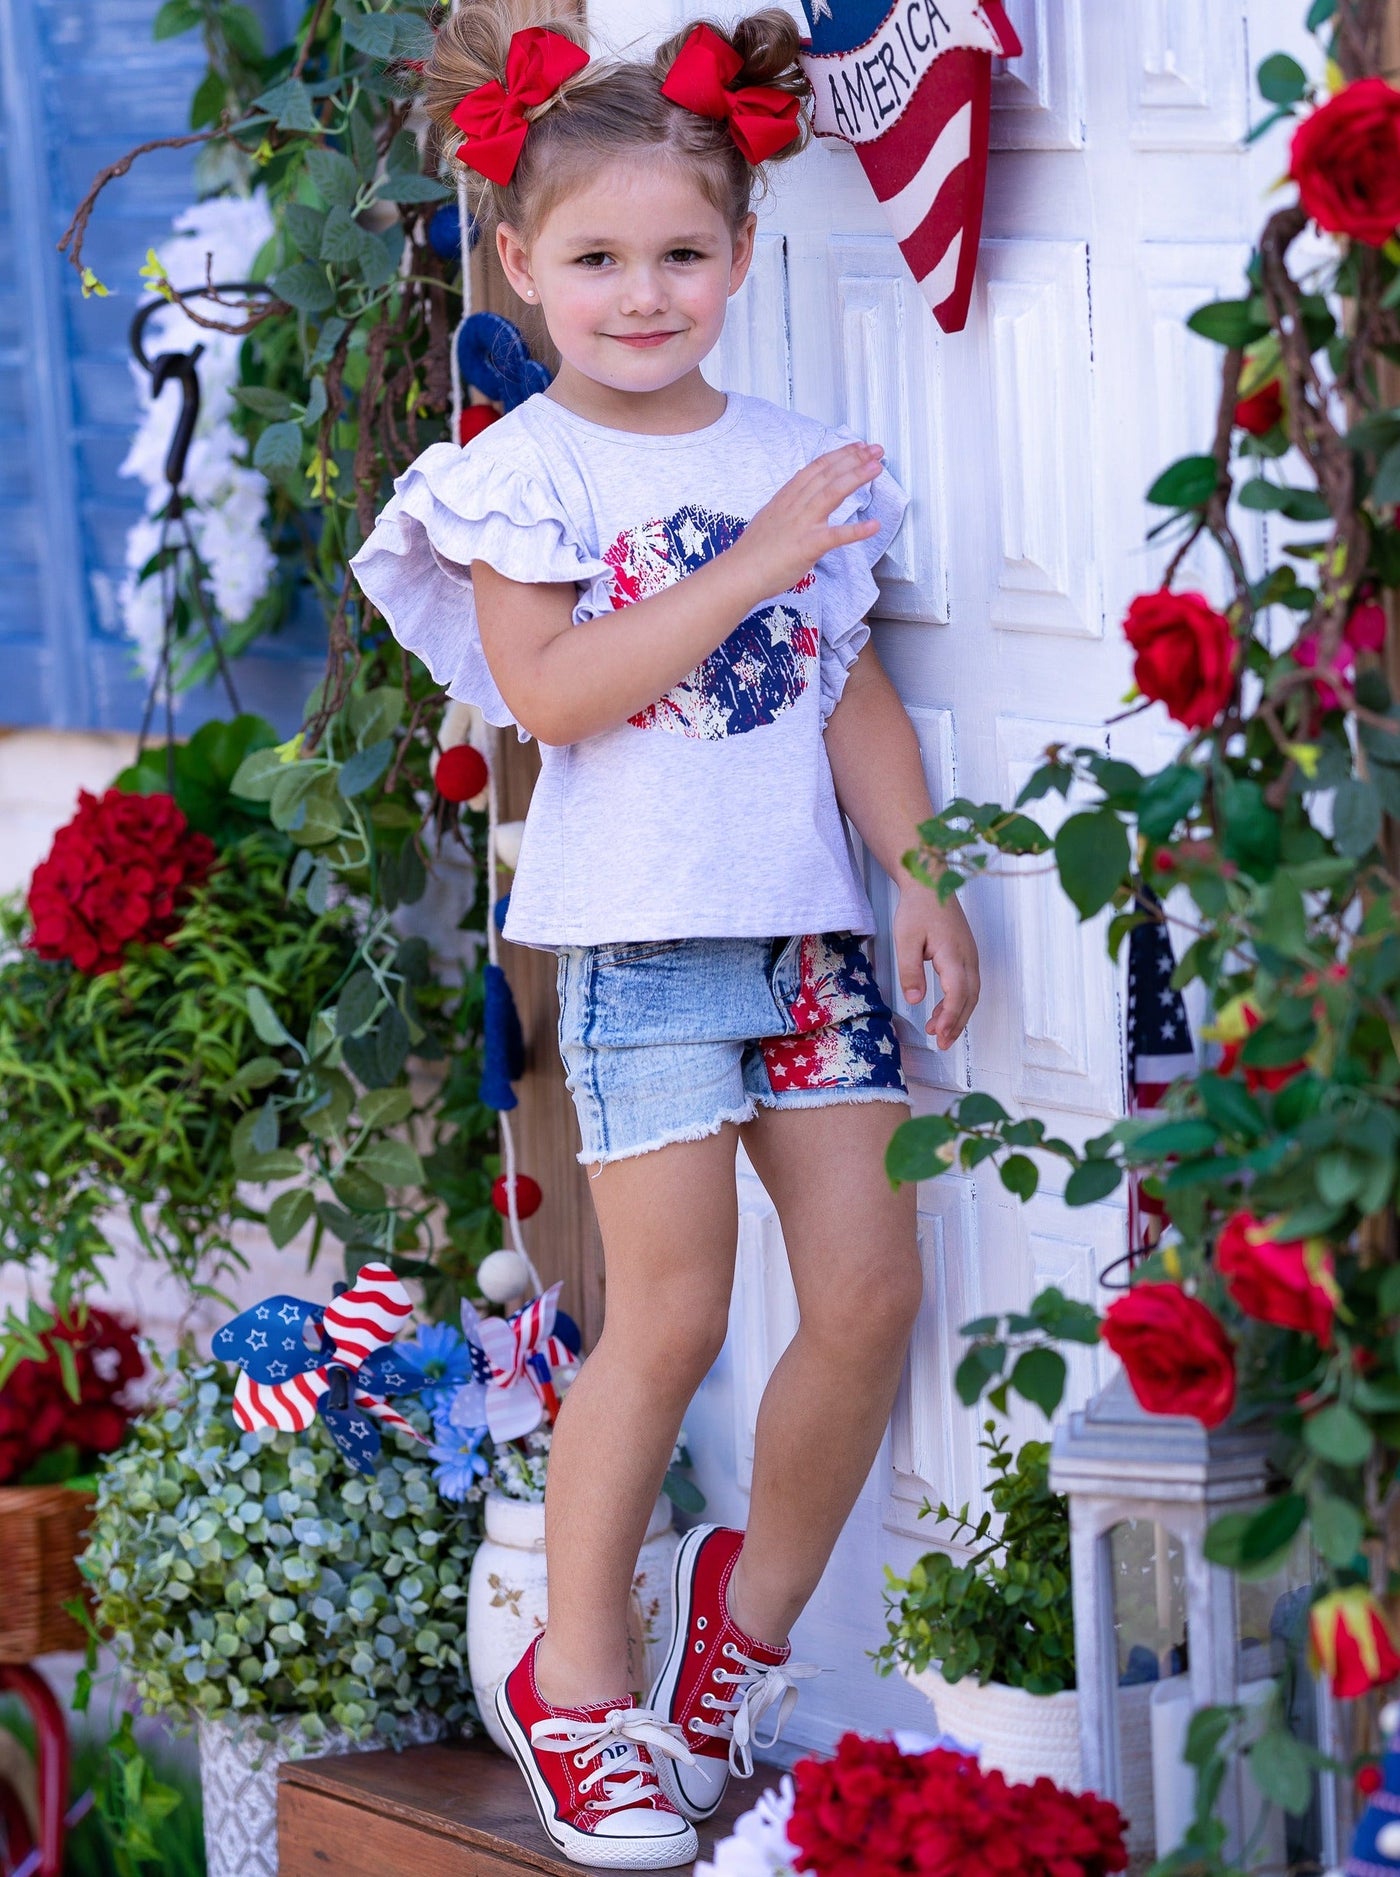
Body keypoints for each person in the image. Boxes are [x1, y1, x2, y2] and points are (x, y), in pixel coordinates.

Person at [352, 5, 981, 1865]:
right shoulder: (525, 472)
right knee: (678, 1312)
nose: (644, 295)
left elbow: (845, 685)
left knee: (866, 1294)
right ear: (522, 263)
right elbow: (553, 693)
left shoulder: (791, 460)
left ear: (743, 254)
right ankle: (576, 1685)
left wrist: (925, 869)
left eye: (683, 255)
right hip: (642, 947)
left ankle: (738, 1639)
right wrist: (751, 559)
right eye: (600, 259)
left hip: (809, 939)